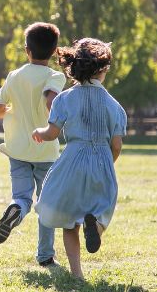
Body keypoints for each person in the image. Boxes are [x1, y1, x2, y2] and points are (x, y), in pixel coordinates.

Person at [32, 38, 126, 279]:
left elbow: (52, 133)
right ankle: (95, 227)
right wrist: (107, 163)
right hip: (102, 160)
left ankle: (77, 274)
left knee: (69, 220)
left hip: (72, 160)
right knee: (102, 208)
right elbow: (117, 144)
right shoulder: (115, 106)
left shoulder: (64, 99)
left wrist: (39, 133)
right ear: (103, 69)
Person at [0, 23, 66, 268]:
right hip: (45, 149)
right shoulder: (55, 76)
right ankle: (45, 255)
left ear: (27, 50)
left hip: (17, 149)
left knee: (21, 197)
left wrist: (14, 110)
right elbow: (50, 99)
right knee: (46, 203)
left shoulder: (14, 76)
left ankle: (15, 210)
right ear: (55, 52)